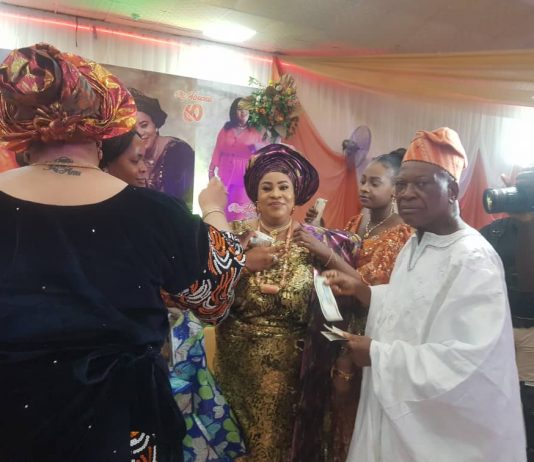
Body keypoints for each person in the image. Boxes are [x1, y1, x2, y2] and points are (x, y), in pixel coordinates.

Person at [0, 43, 245, 461]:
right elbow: (215, 300)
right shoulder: (154, 212)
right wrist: (214, 210)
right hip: (118, 424)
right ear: (104, 126)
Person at [324, 127, 525, 462]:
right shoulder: (416, 243)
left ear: (452, 191)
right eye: (402, 184)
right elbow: (412, 306)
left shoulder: (472, 258)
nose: (406, 194)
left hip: (443, 437)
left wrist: (379, 355)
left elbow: (469, 361)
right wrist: (367, 293)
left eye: (422, 184)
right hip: (394, 415)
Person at [101, 130, 247, 461]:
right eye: (136, 160)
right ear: (102, 161)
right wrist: (213, 208)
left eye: (147, 158)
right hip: (129, 389)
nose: (145, 168)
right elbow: (215, 292)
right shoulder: (149, 212)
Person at [214, 144, 360, 461]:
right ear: (255, 196)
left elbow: (356, 294)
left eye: (284, 187)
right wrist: (241, 263)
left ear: (295, 196)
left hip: (292, 374)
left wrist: (324, 253)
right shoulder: (234, 237)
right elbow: (206, 288)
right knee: (233, 447)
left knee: (277, 449)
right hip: (234, 367)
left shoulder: (316, 241)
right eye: (267, 188)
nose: (275, 194)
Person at [298, 149, 412, 461]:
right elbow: (342, 262)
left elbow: (369, 289)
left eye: (375, 183)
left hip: (370, 332)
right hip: (338, 323)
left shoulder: (403, 233)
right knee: (331, 412)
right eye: (363, 181)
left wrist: (325, 251)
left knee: (355, 411)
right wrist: (321, 230)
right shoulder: (357, 221)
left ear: (395, 188)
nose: (364, 188)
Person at [480, 168, 534, 461]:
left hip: (531, 333)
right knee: (493, 399)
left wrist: (528, 223)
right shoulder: (494, 231)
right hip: (496, 329)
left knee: (527, 406)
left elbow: (529, 281)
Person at [130, 87, 195, 208]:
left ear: (155, 125)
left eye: (144, 125)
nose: (139, 133)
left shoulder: (179, 152)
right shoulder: (129, 156)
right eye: (132, 129)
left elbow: (182, 203)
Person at [208, 97, 265, 221]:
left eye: (246, 109)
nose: (243, 112)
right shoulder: (226, 129)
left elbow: (262, 155)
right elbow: (218, 149)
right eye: (239, 109)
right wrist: (211, 171)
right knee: (222, 210)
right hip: (225, 177)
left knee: (238, 213)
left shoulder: (255, 132)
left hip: (243, 178)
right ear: (234, 111)